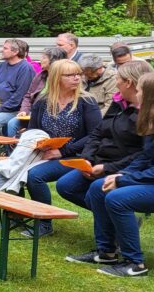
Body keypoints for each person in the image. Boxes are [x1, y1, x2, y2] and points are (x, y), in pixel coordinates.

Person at [65, 70, 154, 277]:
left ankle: (135, 264)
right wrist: (120, 174)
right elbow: (145, 157)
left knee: (117, 198)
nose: (137, 95)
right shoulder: (149, 119)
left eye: (140, 90)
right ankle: (106, 251)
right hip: (145, 176)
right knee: (99, 187)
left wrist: (124, 179)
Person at [15, 58, 101, 237]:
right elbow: (34, 129)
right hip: (47, 152)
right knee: (15, 170)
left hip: (76, 155)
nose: (76, 78)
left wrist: (62, 151)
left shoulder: (87, 101)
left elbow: (95, 135)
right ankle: (15, 217)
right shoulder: (43, 101)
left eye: (78, 74)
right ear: (56, 78)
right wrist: (37, 144)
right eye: (70, 75)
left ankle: (44, 224)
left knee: (35, 176)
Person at [57, 60, 153, 210]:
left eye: (118, 78)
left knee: (98, 190)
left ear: (128, 82)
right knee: (65, 186)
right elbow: (97, 132)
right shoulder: (119, 102)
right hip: (99, 161)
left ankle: (113, 217)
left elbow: (143, 154)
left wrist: (107, 168)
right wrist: (87, 160)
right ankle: (111, 217)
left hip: (122, 165)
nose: (115, 81)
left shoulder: (146, 115)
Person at [0, 38, 37, 135]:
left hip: (14, 110)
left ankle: (5, 146)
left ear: (15, 52)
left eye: (5, 48)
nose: (1, 50)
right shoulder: (1, 66)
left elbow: (20, 96)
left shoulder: (26, 68)